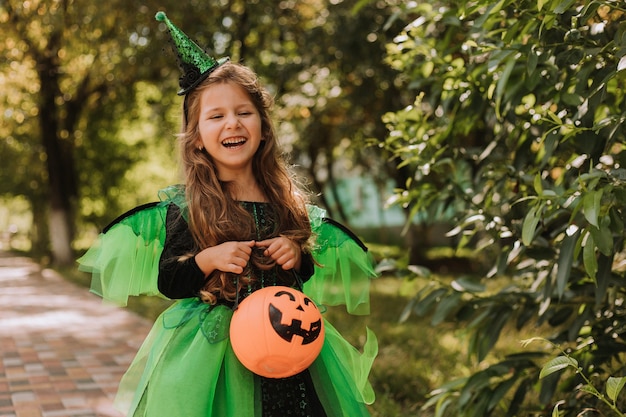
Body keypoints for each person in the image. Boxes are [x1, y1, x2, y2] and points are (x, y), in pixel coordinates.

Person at [78, 11, 377, 417]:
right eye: (216, 116)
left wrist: (296, 254)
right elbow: (170, 279)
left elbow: (300, 271)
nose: (232, 123)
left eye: (244, 112)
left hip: (287, 339)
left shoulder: (284, 198)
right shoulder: (189, 206)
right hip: (219, 351)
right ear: (198, 138)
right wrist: (206, 259)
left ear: (263, 126)